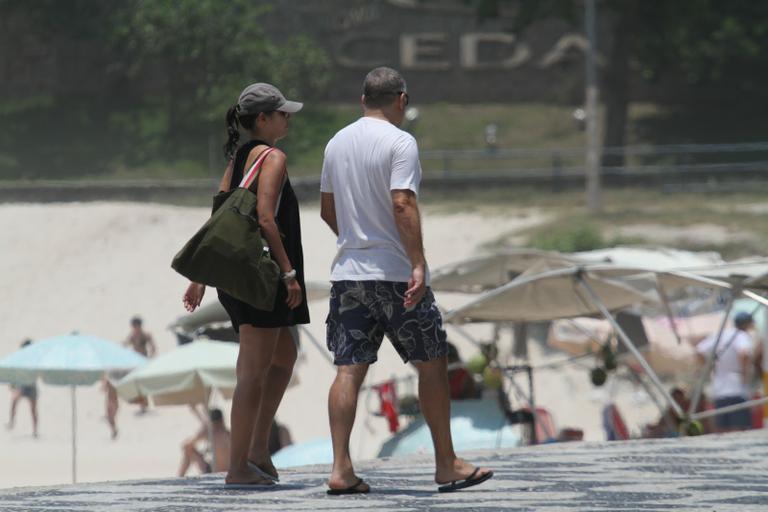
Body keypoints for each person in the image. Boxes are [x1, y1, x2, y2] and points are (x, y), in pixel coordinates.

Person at [320, 67, 493, 494]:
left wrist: (357, 240)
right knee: (431, 362)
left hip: (349, 274)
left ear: (363, 100)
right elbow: (402, 202)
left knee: (348, 370)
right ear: (402, 100)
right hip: (396, 275)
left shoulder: (336, 142)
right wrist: (416, 262)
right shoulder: (401, 142)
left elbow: (327, 210)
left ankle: (340, 469)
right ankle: (446, 463)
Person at [183, 82, 309, 486]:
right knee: (252, 374)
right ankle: (237, 467)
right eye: (282, 113)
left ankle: (257, 448)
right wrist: (289, 273)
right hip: (264, 276)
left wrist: (200, 276)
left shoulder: (238, 157)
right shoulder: (272, 158)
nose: (287, 118)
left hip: (236, 278)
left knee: (284, 357)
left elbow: (219, 216)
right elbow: (268, 219)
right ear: (263, 119)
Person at [696, 311, 755, 433]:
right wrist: (744, 374)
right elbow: (743, 353)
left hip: (719, 389)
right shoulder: (742, 336)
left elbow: (699, 350)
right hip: (737, 388)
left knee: (722, 431)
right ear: (748, 324)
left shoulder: (722, 335)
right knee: (739, 431)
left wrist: (710, 368)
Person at [178, 408, 231, 476]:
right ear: (222, 420)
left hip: (214, 472)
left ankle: (180, 476)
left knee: (188, 450)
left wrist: (200, 434)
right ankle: (180, 476)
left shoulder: (211, 433)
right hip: (230, 471)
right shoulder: (229, 434)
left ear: (211, 422)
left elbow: (186, 446)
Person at [6, 339, 38, 438]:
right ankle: (12, 422)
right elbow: (15, 371)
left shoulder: (33, 358)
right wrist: (12, 383)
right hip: (24, 385)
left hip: (31, 385)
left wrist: (12, 383)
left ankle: (35, 430)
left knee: (33, 409)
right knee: (15, 401)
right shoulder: (21, 358)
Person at [124, 316, 156, 414]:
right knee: (137, 384)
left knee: (143, 383)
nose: (135, 328)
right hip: (135, 363)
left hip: (143, 361)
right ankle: (143, 405)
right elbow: (125, 345)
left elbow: (153, 347)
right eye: (134, 326)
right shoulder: (132, 336)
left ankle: (145, 404)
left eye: (136, 326)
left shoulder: (145, 335)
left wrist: (150, 358)